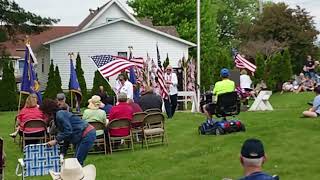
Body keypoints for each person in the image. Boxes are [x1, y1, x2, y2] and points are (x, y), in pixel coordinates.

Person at [40, 99, 96, 165]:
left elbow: (68, 131)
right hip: (85, 134)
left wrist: (56, 140)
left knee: (77, 162)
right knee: (76, 161)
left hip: (87, 134)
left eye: (44, 113)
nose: (43, 115)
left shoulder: (60, 115)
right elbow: (67, 136)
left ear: (48, 111)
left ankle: (81, 174)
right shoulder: (58, 116)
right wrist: (62, 153)